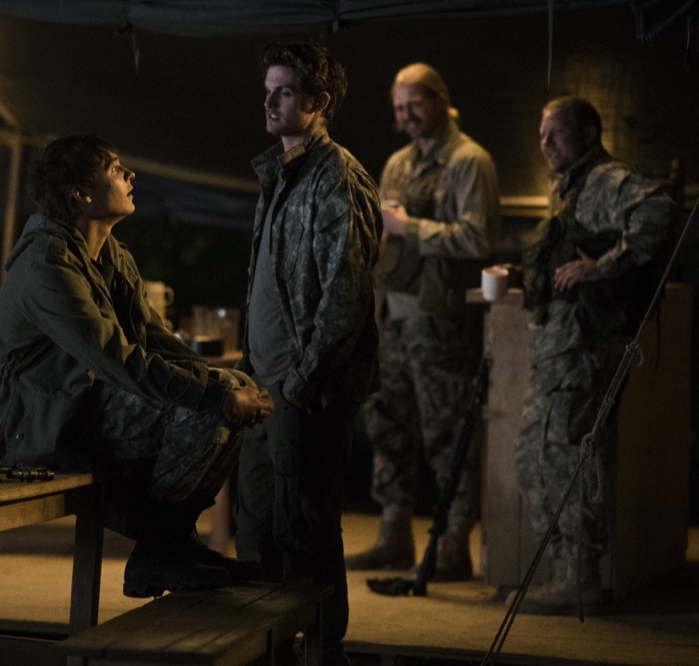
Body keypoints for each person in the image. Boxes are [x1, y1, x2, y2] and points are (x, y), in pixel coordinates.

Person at [0, 134, 275, 597]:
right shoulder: (47, 265)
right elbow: (115, 357)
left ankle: (171, 543)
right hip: (33, 428)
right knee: (202, 406)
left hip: (78, 408)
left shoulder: (111, 255)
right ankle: (159, 549)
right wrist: (214, 397)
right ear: (81, 192)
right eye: (116, 169)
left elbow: (154, 339)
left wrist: (228, 385)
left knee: (224, 387)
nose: (130, 175)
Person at [234, 43, 381, 665]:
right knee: (260, 530)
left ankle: (324, 654)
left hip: (302, 391)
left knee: (307, 534)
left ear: (319, 103)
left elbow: (344, 300)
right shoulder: (282, 172)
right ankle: (270, 651)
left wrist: (299, 381)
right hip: (264, 387)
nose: (269, 101)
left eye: (285, 92)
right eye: (268, 88)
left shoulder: (336, 177)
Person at [512, 96, 674, 614]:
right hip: (558, 352)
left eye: (557, 133)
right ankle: (564, 569)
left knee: (567, 453)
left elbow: (658, 210)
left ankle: (579, 577)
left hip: (583, 349)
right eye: (541, 135)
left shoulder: (604, 178)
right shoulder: (570, 187)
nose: (546, 144)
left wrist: (603, 266)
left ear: (588, 133)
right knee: (537, 454)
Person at [345, 63, 500, 581]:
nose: (406, 117)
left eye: (414, 105)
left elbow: (478, 238)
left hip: (439, 319)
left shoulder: (468, 161)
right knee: (388, 426)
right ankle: (393, 537)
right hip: (391, 314)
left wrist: (413, 227)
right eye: (398, 109)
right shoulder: (396, 164)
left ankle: (452, 544)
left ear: (440, 99)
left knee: (447, 431)